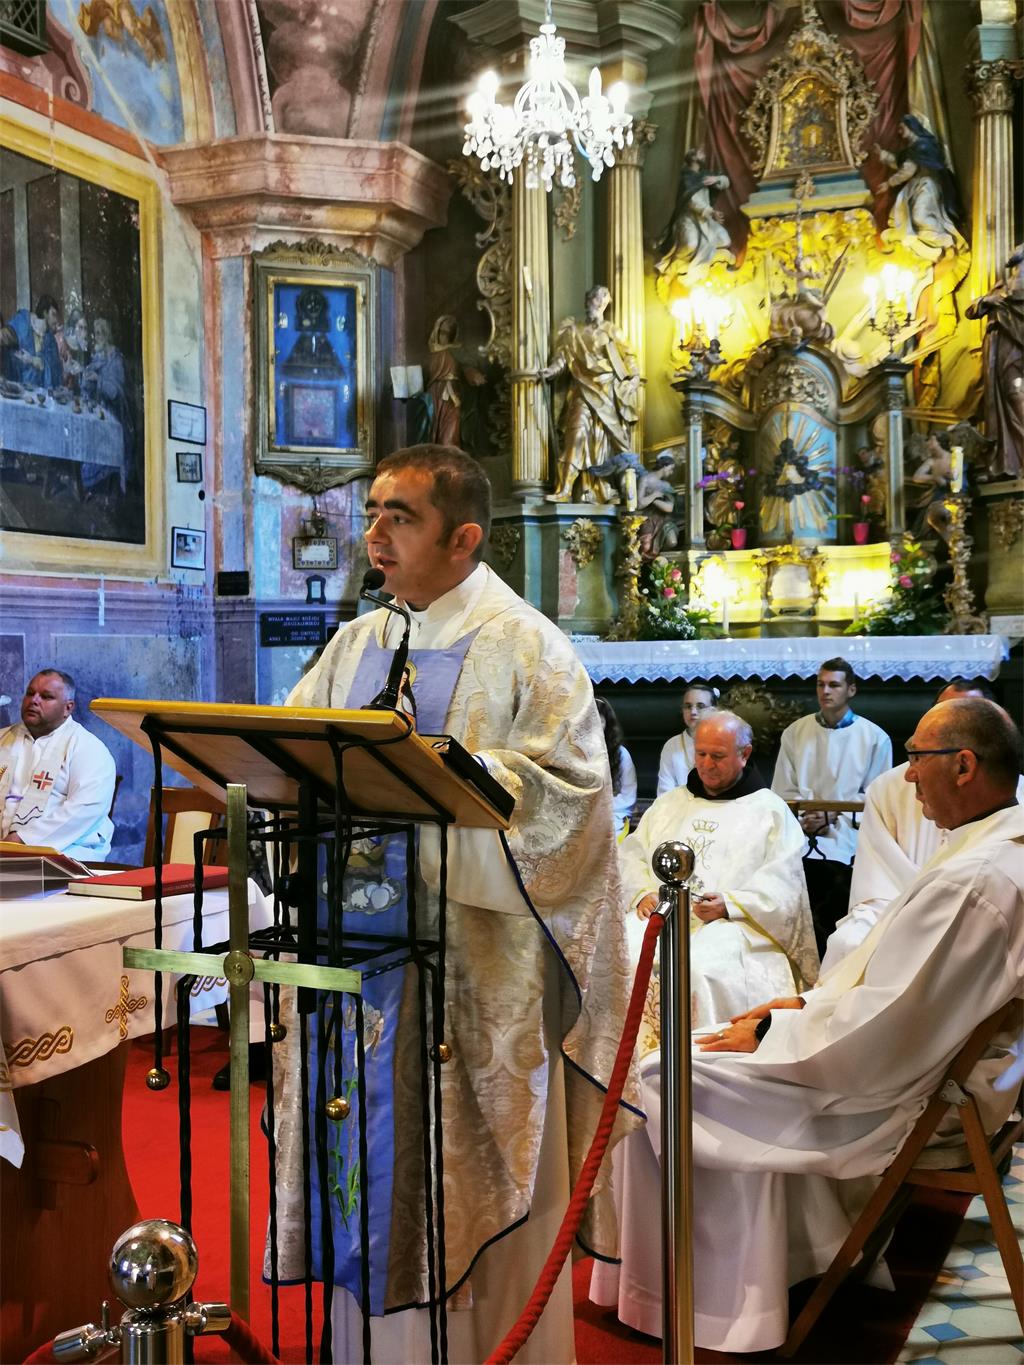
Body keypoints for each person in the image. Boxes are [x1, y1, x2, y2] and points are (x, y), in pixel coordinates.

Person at [275, 444, 640, 1363]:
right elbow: (292, 747)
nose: (375, 532)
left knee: (462, 1185)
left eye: (399, 516)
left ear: (464, 537)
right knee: (364, 1155)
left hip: (474, 970)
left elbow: (573, 801)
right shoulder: (358, 642)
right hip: (361, 955)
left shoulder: (530, 646)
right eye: (372, 512)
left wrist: (451, 779)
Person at [682, 698, 1023, 1354]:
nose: (907, 774)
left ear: (963, 765)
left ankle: (737, 1304)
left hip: (907, 1097)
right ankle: (802, 1255)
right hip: (944, 1072)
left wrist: (773, 1032)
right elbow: (905, 1002)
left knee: (667, 1075)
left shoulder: (976, 878)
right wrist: (797, 1008)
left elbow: (884, 1031)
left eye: (917, 757)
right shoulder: (998, 845)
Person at [590, 711, 817, 1336]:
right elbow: (631, 858)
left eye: (720, 756)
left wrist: (733, 903)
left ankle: (700, 1101)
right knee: (619, 958)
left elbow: (786, 890)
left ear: (745, 754)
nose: (709, 766)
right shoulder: (668, 805)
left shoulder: (769, 812)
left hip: (733, 931)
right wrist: (642, 893)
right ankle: (634, 1100)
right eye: (702, 755)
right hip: (661, 921)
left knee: (701, 973)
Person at [821, 677, 1022, 972]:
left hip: (961, 924)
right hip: (896, 907)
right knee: (849, 943)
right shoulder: (888, 788)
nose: (910, 775)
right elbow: (878, 881)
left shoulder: (1003, 809)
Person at [771, 658, 892, 956]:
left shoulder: (874, 737)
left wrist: (832, 813)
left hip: (850, 830)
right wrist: (804, 818)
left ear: (851, 689)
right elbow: (782, 791)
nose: (825, 691)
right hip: (801, 828)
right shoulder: (795, 733)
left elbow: (878, 796)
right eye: (820, 684)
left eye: (834, 685)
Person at [0, 669, 115, 860]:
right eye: (30, 693)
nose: (34, 700)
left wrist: (23, 841)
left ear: (68, 708)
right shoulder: (3, 739)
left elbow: (85, 808)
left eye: (46, 696)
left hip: (66, 854)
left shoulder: (88, 748)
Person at [541, 285, 641, 504]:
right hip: (582, 388)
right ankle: (565, 489)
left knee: (602, 443)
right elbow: (562, 358)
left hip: (607, 391)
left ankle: (603, 489)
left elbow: (628, 356)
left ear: (604, 303)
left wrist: (634, 376)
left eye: (595, 299)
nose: (591, 303)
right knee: (575, 435)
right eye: (589, 299)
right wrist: (551, 371)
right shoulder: (573, 331)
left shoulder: (611, 330)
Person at [965, 245, 1024, 480]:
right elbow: (972, 310)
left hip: (1017, 347)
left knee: (1017, 397)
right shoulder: (1001, 286)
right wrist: (990, 299)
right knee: (1006, 397)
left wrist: (1002, 301)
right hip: (1000, 347)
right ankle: (1008, 459)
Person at [877, 115, 967, 262]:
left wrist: (888, 184)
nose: (900, 131)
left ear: (911, 126)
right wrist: (882, 154)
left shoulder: (922, 147)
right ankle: (937, 244)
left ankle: (946, 242)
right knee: (912, 218)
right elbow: (903, 164)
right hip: (920, 186)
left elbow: (907, 170)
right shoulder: (917, 147)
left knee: (919, 217)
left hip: (927, 186)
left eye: (902, 128)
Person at [653, 148, 734, 282]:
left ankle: (703, 258)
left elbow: (726, 182)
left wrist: (717, 179)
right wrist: (711, 212)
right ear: (694, 158)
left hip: (705, 219)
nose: (704, 155)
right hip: (689, 219)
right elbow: (692, 201)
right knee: (691, 244)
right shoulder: (687, 179)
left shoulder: (704, 175)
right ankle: (676, 263)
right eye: (700, 153)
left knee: (725, 240)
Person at [414, 313, 485, 452]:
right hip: (433, 396)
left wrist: (474, 375)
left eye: (448, 333)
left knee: (450, 433)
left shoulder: (456, 351)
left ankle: (451, 458)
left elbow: (467, 367)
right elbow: (422, 377)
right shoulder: (430, 354)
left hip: (452, 395)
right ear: (436, 332)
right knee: (433, 431)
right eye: (442, 333)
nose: (444, 337)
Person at [656, 682, 717, 796]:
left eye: (700, 706)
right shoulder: (672, 745)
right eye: (688, 706)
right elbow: (665, 792)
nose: (693, 712)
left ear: (713, 710)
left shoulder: (722, 742)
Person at [594, 696, 637, 839]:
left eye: (599, 720)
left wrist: (602, 808)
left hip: (613, 815)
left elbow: (627, 796)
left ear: (606, 722)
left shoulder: (621, 754)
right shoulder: (576, 752)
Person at [1, 295, 62, 389]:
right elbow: (4, 336)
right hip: (19, 390)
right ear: (45, 313)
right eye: (53, 314)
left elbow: (56, 372)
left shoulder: (51, 340)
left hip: (42, 393)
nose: (56, 320)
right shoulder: (22, 321)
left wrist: (32, 360)